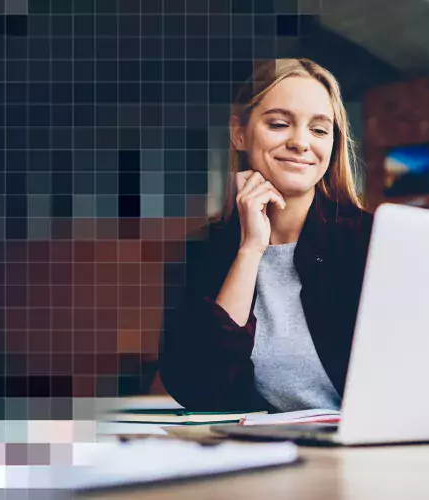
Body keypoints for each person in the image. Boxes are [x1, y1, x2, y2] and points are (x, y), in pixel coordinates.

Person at [159, 58, 373, 412]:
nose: (301, 142)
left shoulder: (371, 242)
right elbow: (199, 388)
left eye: (319, 130)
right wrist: (250, 249)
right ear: (239, 133)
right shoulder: (204, 250)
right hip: (266, 443)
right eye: (279, 124)